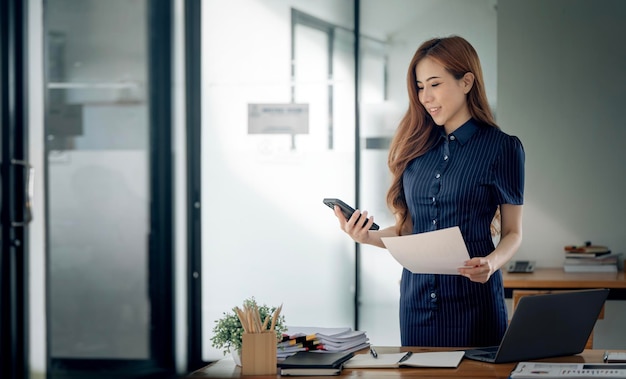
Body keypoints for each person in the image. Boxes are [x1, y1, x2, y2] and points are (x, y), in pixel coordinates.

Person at [333, 35, 524, 347]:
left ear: (466, 82)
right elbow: (410, 232)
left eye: (434, 84)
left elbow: (514, 232)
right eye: (420, 86)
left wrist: (492, 262)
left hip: (474, 302)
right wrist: (365, 237)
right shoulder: (415, 148)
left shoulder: (502, 148)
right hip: (417, 302)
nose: (425, 96)